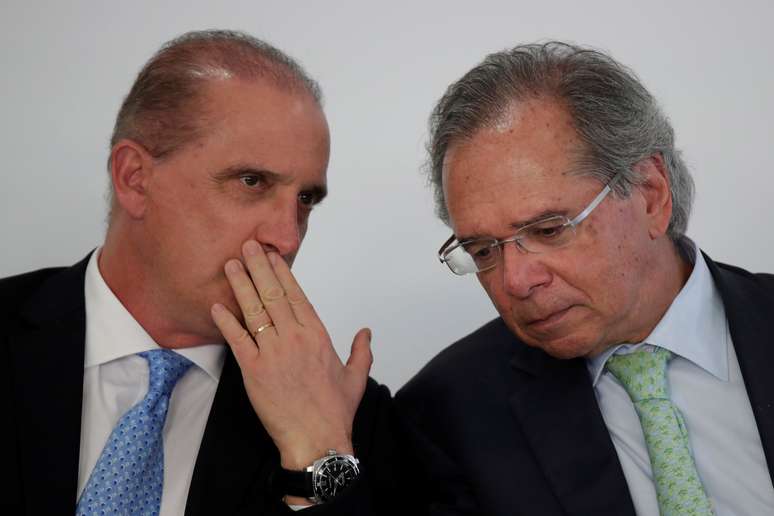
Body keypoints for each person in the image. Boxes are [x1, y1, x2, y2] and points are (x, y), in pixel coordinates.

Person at [3, 29, 395, 515]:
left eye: (306, 200)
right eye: (251, 182)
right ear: (134, 178)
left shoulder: (350, 417)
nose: (288, 238)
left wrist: (317, 458)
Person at [395, 41, 774, 515]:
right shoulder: (447, 414)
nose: (515, 281)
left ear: (651, 195)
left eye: (549, 229)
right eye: (482, 250)